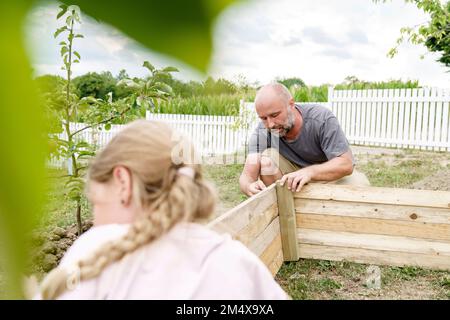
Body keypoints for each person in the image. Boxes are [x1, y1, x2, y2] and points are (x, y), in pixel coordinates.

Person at [36, 120, 288, 300]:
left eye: (96, 203)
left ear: (123, 183)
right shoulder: (237, 260)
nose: (96, 218)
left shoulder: (94, 250)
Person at [240, 83, 370, 196]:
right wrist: (248, 186)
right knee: (266, 161)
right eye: (263, 118)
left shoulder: (321, 119)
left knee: (360, 186)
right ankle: (284, 212)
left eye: (275, 115)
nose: (270, 124)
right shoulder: (263, 131)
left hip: (328, 176)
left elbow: (346, 164)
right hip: (292, 179)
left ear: (291, 104)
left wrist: (309, 172)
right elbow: (247, 176)